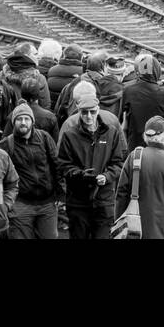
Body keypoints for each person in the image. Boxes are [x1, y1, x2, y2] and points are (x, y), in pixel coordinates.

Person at [56, 84, 128, 239]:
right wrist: (81, 175)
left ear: (98, 109)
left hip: (103, 200)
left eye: (92, 112)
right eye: (84, 112)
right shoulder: (70, 134)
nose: (89, 116)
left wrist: (107, 176)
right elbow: (63, 166)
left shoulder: (111, 133)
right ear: (78, 111)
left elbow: (119, 163)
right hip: (78, 201)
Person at [0, 102, 60, 239]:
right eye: (19, 119)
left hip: (47, 203)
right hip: (21, 203)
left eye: (26, 119)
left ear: (32, 121)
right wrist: (6, 203)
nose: (23, 122)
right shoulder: (6, 145)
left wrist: (60, 193)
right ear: (14, 122)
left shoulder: (44, 138)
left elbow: (57, 165)